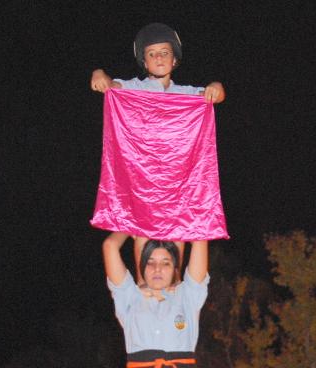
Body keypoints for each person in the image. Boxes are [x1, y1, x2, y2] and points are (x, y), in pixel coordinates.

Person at [91, 23, 226, 285]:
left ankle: (174, 304)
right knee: (144, 244)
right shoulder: (132, 88)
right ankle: (145, 301)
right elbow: (109, 84)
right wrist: (99, 74)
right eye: (152, 53)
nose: (159, 58)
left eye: (164, 52)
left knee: (177, 242)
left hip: (178, 186)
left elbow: (215, 95)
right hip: (142, 185)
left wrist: (216, 87)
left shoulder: (186, 94)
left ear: (175, 59)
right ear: (144, 61)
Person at [103, 231, 209, 367]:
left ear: (175, 269)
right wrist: (129, 225)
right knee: (145, 233)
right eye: (150, 263)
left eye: (166, 264)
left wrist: (183, 222)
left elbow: (200, 240)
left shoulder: (186, 296)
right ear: (142, 266)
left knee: (175, 233)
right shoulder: (131, 297)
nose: (157, 269)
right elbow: (110, 245)